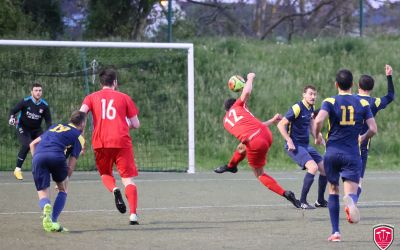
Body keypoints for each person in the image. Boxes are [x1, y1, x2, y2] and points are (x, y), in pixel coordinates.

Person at [216, 72, 301, 209]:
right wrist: (250, 78)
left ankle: (285, 193)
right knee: (242, 146)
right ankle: (231, 166)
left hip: (255, 142)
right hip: (266, 135)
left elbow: (249, 131)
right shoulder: (240, 106)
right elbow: (247, 91)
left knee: (259, 174)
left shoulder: (226, 121)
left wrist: (272, 120)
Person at [314, 69, 377, 242]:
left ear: (336, 84)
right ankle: (350, 201)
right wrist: (363, 138)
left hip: (332, 152)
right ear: (352, 85)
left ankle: (335, 232)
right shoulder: (362, 104)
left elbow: (318, 120)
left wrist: (317, 135)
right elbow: (373, 128)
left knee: (333, 190)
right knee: (351, 192)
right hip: (352, 153)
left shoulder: (329, 101)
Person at [80, 67, 140, 225]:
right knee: (127, 179)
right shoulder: (125, 97)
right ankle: (133, 215)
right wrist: (123, 122)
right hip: (121, 142)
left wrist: (79, 137)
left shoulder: (91, 97)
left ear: (101, 82)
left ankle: (114, 190)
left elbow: (80, 115)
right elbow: (136, 123)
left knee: (106, 174)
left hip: (101, 142)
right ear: (115, 82)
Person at [30, 111, 86, 232]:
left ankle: (45, 206)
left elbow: (32, 144)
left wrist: (36, 160)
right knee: (63, 189)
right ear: (82, 123)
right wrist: (63, 180)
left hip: (38, 156)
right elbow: (70, 166)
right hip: (57, 156)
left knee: (43, 193)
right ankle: (53, 221)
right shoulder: (78, 136)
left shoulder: (55, 126)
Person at [277, 85, 327, 209]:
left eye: (315, 94)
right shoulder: (297, 108)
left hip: (305, 145)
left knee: (325, 169)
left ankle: (320, 201)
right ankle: (303, 202)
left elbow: (310, 122)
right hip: (295, 146)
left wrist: (317, 135)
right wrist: (289, 140)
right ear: (303, 95)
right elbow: (280, 124)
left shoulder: (311, 108)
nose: (313, 96)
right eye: (310, 94)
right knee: (313, 167)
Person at [356, 65, 395, 199]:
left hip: (346, 143)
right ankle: (352, 203)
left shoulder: (350, 99)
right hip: (363, 144)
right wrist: (389, 76)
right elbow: (390, 96)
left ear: (358, 86)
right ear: (372, 88)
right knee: (358, 180)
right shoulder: (374, 102)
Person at [8, 83, 52, 180]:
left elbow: (48, 121)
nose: (38, 92)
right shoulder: (25, 101)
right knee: (27, 145)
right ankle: (17, 170)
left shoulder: (44, 105)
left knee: (43, 145)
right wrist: (11, 118)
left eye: (40, 90)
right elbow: (13, 110)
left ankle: (41, 169)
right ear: (31, 92)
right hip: (23, 127)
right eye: (36, 90)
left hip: (36, 129)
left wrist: (49, 132)